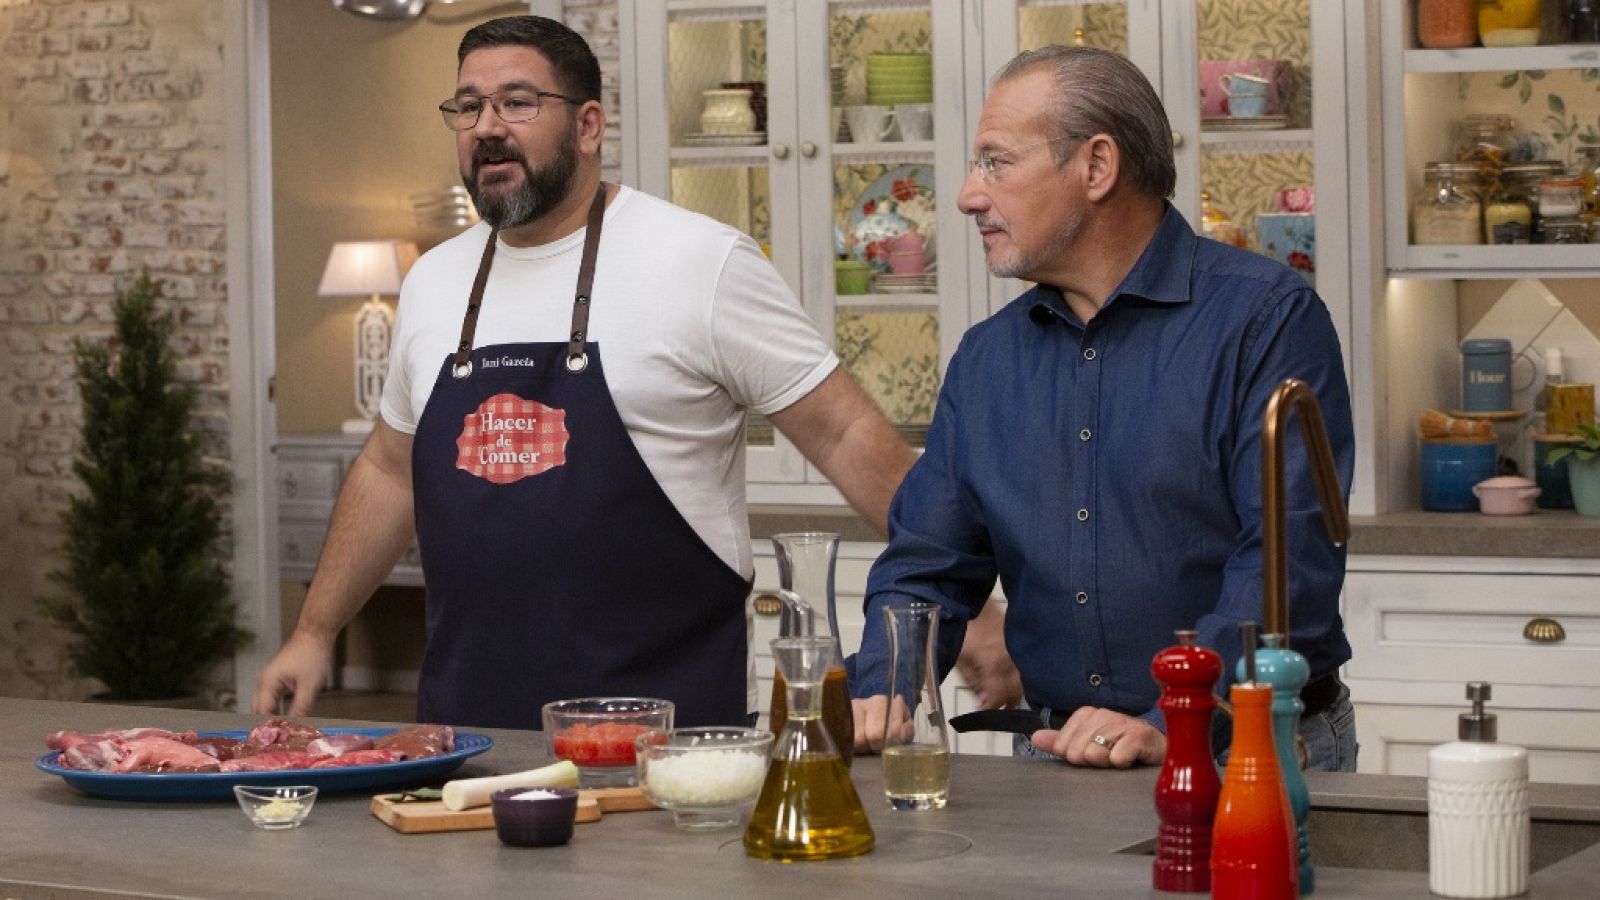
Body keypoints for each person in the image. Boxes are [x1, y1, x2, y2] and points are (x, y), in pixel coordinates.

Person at [253, 16, 916, 729]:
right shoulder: (435, 281)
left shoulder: (700, 261)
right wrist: (315, 631)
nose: (486, 127)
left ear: (589, 125)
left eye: (517, 101)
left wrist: (961, 603)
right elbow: (389, 471)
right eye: (468, 106)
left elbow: (845, 432)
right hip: (466, 745)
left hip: (670, 743)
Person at [848, 45, 1357, 771]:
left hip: (1244, 749)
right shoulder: (986, 360)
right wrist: (885, 688)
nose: (966, 195)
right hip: (1053, 760)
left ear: (1096, 166)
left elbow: (1287, 566)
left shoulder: (1267, 320)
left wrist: (1174, 719)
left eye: (996, 161)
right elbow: (928, 567)